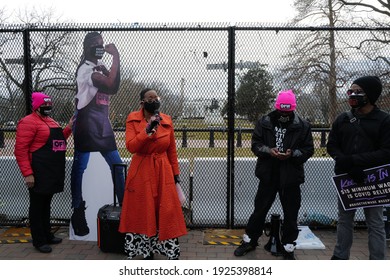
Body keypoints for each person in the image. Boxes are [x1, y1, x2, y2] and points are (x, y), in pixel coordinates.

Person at [234, 89, 314, 260]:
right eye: (281, 111)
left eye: (287, 112)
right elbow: (256, 145)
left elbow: (308, 150)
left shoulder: (303, 125)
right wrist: (269, 151)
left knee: (291, 213)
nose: (284, 115)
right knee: (260, 210)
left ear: (292, 109)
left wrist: (292, 154)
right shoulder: (264, 122)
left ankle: (288, 247)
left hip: (291, 177)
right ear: (276, 107)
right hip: (268, 175)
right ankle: (250, 241)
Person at [119, 88, 187, 260]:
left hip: (163, 171)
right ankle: (145, 251)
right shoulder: (132, 119)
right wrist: (147, 130)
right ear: (142, 102)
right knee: (143, 211)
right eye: (150, 98)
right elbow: (131, 147)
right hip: (141, 171)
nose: (154, 100)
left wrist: (176, 174)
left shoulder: (167, 120)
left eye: (156, 97)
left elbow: (172, 150)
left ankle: (169, 250)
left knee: (167, 211)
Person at [327, 76, 390, 260]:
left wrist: (354, 161)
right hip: (346, 179)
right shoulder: (343, 119)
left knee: (375, 223)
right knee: (344, 220)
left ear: (370, 95)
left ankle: (377, 261)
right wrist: (343, 160)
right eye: (351, 91)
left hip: (372, 180)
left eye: (358, 91)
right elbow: (332, 145)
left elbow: (386, 152)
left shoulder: (384, 120)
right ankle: (340, 257)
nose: (353, 95)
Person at [71, 32, 125, 236]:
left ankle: (124, 210)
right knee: (80, 168)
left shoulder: (98, 68)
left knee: (117, 166)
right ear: (87, 47)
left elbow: (114, 86)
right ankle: (77, 211)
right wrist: (116, 56)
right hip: (86, 123)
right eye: (95, 44)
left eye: (101, 43)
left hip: (102, 123)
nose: (100, 47)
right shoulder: (86, 70)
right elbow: (110, 84)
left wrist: (110, 65)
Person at [14, 92, 73, 253]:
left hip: (51, 170)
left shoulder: (50, 120)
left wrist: (69, 128)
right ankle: (39, 240)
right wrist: (28, 174)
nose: (48, 107)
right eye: (44, 105)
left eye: (49, 104)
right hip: (38, 171)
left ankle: (47, 235)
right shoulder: (27, 122)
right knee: (37, 205)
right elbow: (20, 150)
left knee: (46, 204)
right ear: (36, 106)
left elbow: (59, 141)